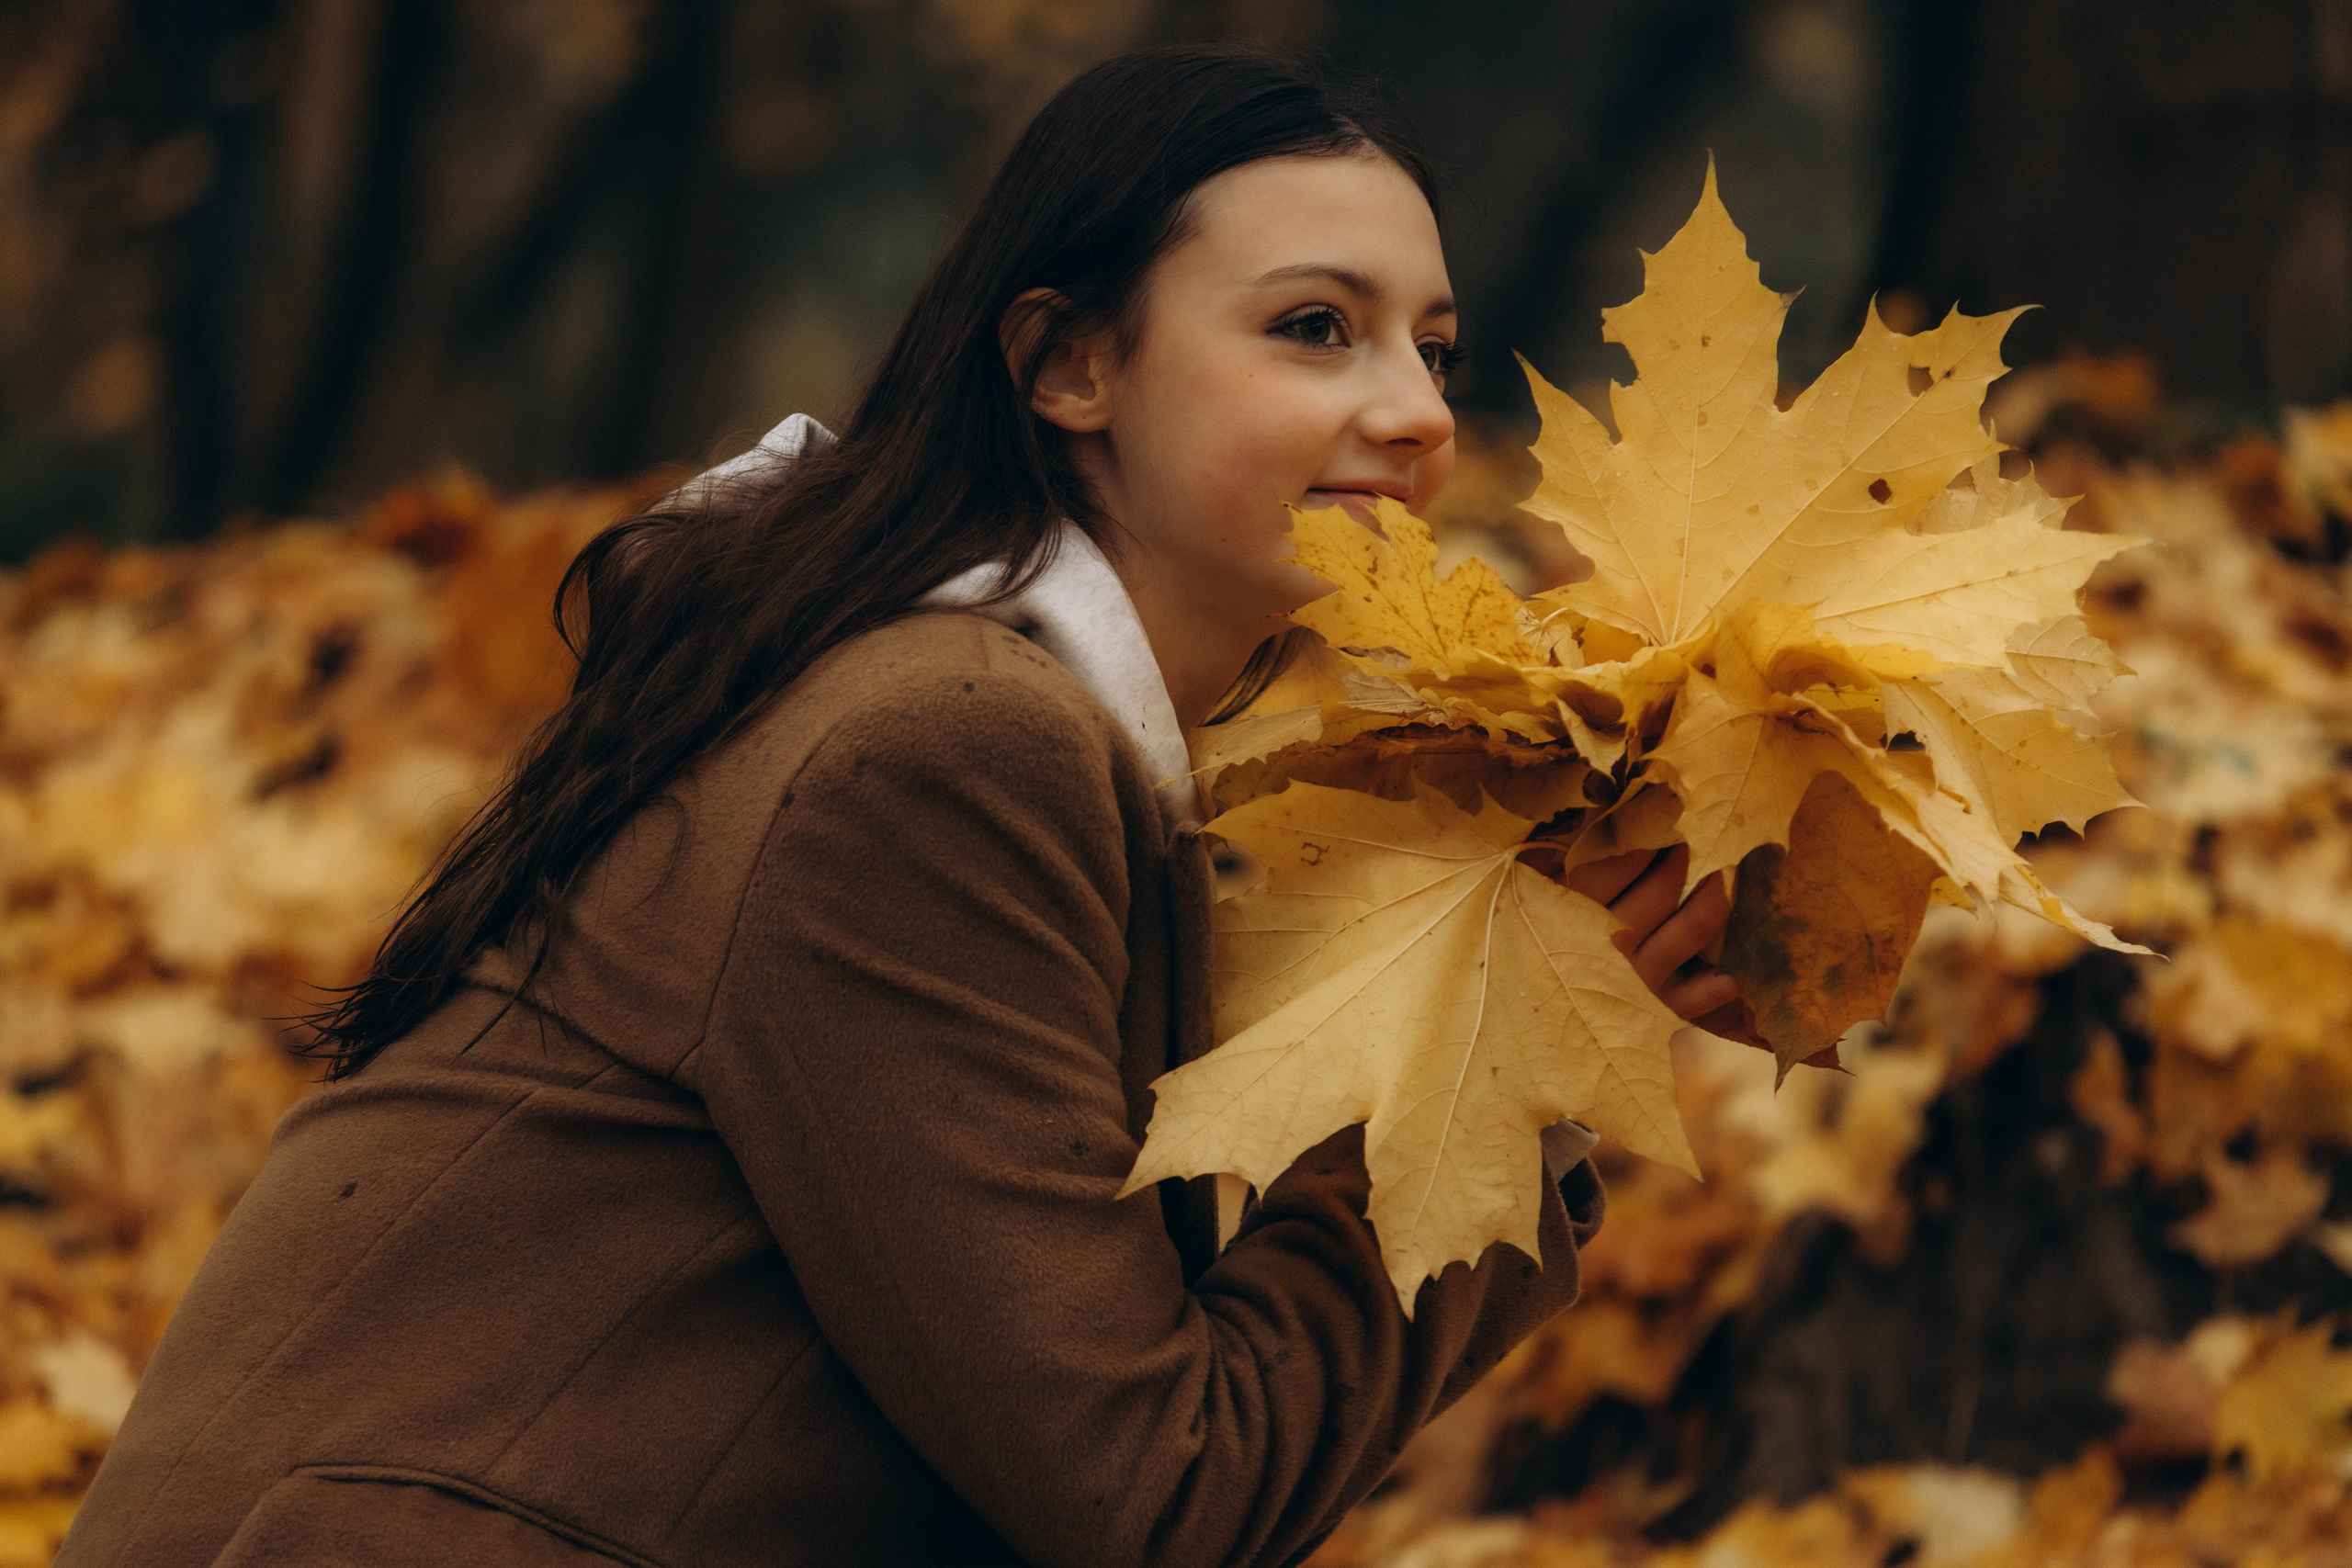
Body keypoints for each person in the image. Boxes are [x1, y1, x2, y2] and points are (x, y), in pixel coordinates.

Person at [57, 44, 1735, 1568]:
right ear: (1068, 363)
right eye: (1317, 328)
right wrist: (1502, 1070)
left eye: (1433, 347)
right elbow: (1154, 1490)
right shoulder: (937, 750)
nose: (1421, 413)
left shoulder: (958, 704)